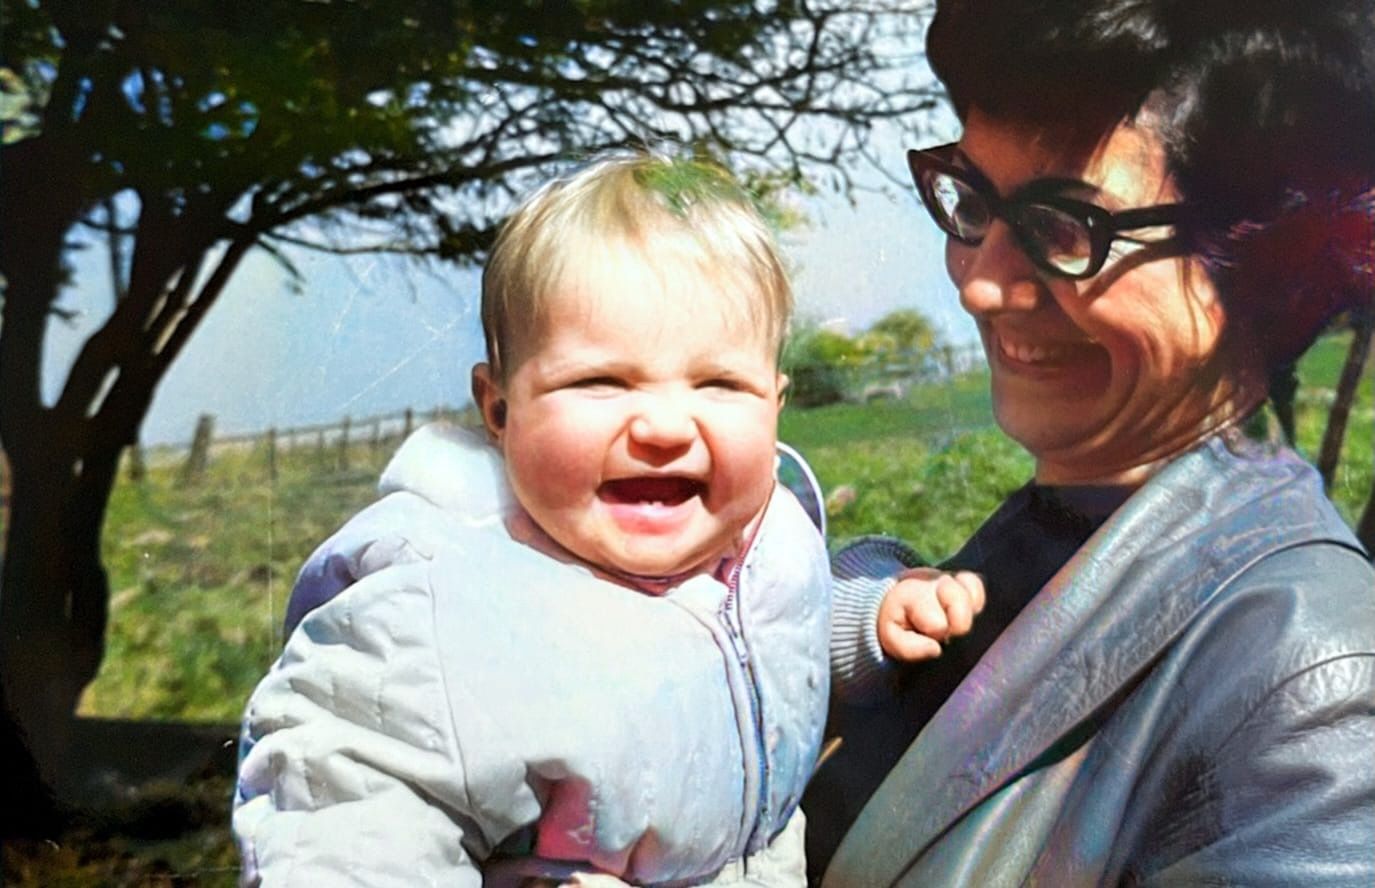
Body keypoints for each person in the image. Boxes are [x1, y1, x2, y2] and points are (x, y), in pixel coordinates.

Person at [232, 152, 982, 887]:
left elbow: (774, 628)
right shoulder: (440, 610)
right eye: (599, 381)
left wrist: (869, 618)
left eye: (718, 383)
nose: (662, 426)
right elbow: (344, 814)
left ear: (774, 404)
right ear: (499, 409)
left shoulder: (760, 540)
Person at [805, 1, 1375, 884]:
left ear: (1258, 257)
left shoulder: (1315, 691)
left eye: (1064, 226)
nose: (981, 286)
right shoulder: (1066, 518)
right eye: (973, 198)